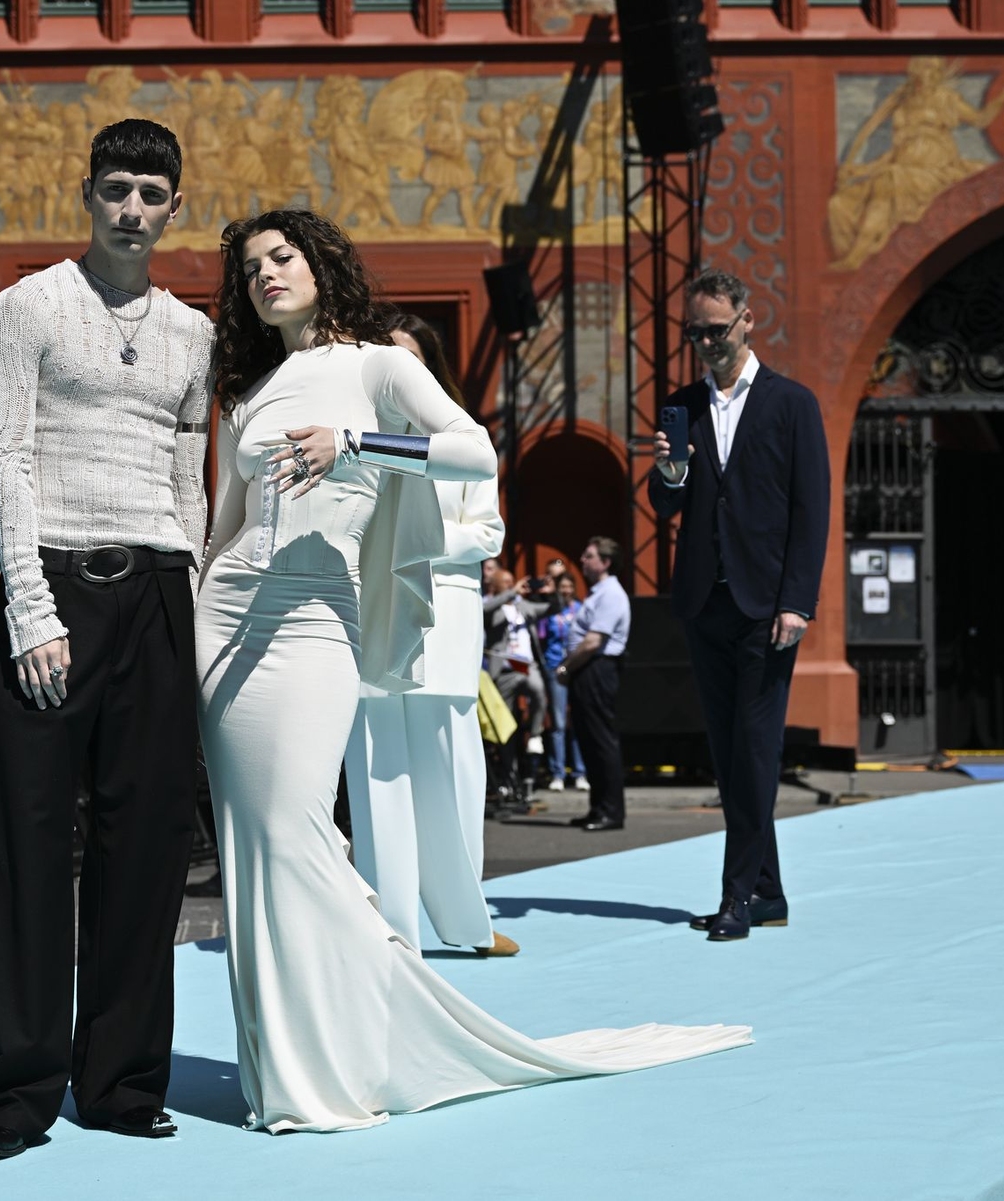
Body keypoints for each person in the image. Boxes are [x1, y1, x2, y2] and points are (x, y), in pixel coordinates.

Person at [195, 207, 750, 1136]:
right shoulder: (248, 389)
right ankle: (281, 1065)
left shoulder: (378, 364)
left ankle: (357, 1045)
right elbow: (225, 518)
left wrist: (362, 443)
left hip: (316, 619)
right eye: (251, 267)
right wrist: (193, 619)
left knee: (298, 830)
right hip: (228, 623)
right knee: (251, 848)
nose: (266, 275)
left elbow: (471, 449)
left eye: (282, 256)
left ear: (322, 265)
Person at [0, 119, 215, 1161]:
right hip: (54, 581)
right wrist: (30, 609)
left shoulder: (195, 333)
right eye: (116, 188)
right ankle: (11, 1097)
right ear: (87, 193)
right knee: (25, 848)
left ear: (173, 208)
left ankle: (119, 1081)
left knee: (144, 850)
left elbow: (189, 473)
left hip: (155, 592)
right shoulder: (29, 306)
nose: (132, 209)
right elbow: (5, 457)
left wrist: (191, 601)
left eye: (151, 193)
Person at [649, 268, 829, 942]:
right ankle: (770, 891)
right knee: (729, 755)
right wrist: (670, 472)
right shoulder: (683, 404)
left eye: (715, 330)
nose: (705, 343)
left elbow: (811, 513)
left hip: (766, 607)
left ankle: (736, 897)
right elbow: (667, 502)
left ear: (748, 320)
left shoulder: (792, 404)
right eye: (693, 332)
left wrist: (797, 604)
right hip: (704, 601)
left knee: (754, 750)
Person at [343, 311, 516, 959]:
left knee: (452, 769)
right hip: (374, 618)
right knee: (376, 768)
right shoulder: (357, 441)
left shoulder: (463, 441)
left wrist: (410, 546)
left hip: (445, 614)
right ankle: (389, 928)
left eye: (410, 361)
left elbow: (487, 535)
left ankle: (468, 919)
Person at [555, 538, 630, 831]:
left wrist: (566, 666)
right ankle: (598, 808)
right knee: (588, 739)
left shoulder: (611, 593)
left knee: (601, 740)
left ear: (606, 562)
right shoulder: (598, 593)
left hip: (597, 669)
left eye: (589, 556)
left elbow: (594, 641)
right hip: (587, 671)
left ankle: (611, 812)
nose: (583, 560)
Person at [482, 568, 553, 782]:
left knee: (539, 691)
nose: (512, 584)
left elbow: (550, 609)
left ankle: (535, 735)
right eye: (505, 582)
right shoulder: (492, 606)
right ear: (494, 585)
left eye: (512, 581)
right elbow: (484, 611)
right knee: (507, 725)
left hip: (526, 665)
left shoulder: (522, 606)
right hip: (504, 670)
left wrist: (551, 592)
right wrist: (511, 592)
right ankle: (509, 773)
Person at [539, 572, 588, 791]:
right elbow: (541, 636)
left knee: (578, 720)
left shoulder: (580, 609)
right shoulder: (551, 611)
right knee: (558, 723)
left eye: (570, 586)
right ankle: (558, 773)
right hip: (554, 667)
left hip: (576, 667)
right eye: (563, 587)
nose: (566, 590)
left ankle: (580, 773)